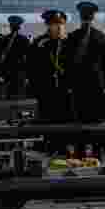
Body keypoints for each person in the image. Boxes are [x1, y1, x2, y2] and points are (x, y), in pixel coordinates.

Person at [26, 11, 71, 153]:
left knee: (64, 117)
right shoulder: (40, 43)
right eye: (54, 24)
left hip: (65, 87)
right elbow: (31, 68)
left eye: (60, 24)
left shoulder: (69, 42)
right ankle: (48, 144)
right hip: (46, 88)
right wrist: (37, 87)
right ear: (47, 25)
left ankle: (62, 145)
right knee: (47, 117)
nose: (57, 27)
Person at [62, 2, 105, 125]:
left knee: (79, 120)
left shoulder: (72, 36)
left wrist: (67, 83)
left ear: (80, 16)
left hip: (78, 83)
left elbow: (67, 63)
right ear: (93, 16)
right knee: (95, 121)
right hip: (96, 83)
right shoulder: (101, 37)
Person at [0, 15, 31, 100]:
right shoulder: (23, 39)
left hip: (17, 70)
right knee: (12, 94)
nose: (12, 27)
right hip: (13, 70)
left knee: (16, 94)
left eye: (12, 25)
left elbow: (27, 56)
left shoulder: (21, 39)